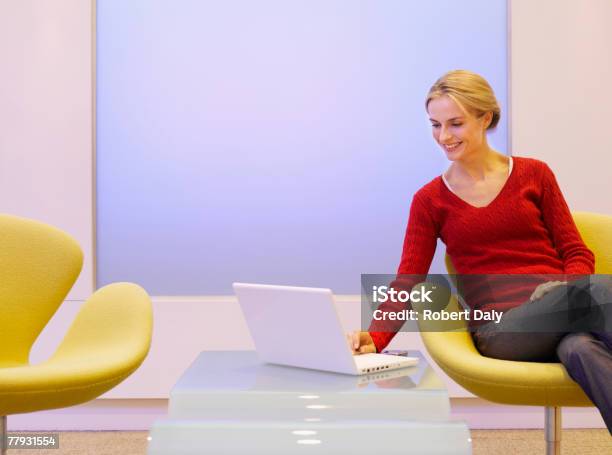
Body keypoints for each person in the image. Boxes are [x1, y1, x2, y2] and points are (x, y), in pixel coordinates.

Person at [348, 70, 612, 432]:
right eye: (435, 125)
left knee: (581, 349)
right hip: (502, 330)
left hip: (561, 312)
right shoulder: (430, 201)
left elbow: (575, 251)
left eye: (455, 124)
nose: (444, 137)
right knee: (601, 289)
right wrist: (375, 337)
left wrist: (567, 294)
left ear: (485, 117)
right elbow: (409, 278)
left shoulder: (535, 174)